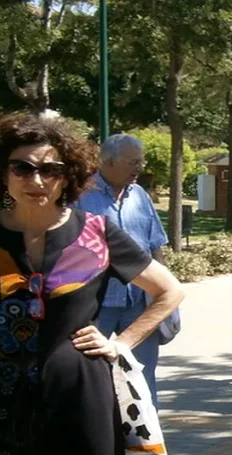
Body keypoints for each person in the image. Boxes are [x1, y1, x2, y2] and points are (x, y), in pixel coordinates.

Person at [0, 113, 184, 455]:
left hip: (81, 392)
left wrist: (121, 342)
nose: (37, 180)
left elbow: (169, 290)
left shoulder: (96, 231)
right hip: (5, 400)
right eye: (23, 168)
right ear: (3, 172)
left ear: (66, 175)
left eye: (50, 169)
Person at [76, 134, 168, 404]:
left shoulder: (139, 195)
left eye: (141, 161)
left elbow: (155, 245)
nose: (139, 167)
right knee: (90, 371)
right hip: (95, 303)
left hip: (139, 301)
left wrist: (163, 292)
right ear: (108, 161)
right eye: (133, 162)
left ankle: (147, 439)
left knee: (142, 374)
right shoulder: (81, 196)